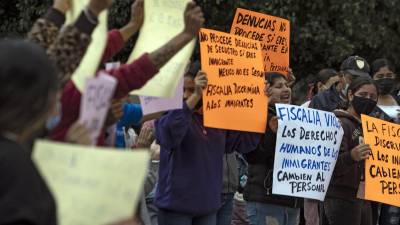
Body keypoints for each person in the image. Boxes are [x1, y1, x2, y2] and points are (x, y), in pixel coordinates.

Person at [50, 1, 205, 145]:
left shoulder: (55, 70)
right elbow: (137, 70)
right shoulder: (77, 88)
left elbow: (104, 47)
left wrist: (133, 24)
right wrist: (185, 35)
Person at [154, 68, 261, 225]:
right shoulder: (171, 113)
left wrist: (259, 105)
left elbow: (244, 142)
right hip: (175, 208)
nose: (185, 95)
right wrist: (195, 97)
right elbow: (168, 136)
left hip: (208, 208)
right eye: (183, 90)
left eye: (191, 90)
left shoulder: (216, 117)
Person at [245, 72, 301, 225]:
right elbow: (253, 156)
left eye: (287, 85)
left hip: (292, 201)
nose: (286, 89)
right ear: (267, 90)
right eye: (279, 86)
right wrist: (272, 133)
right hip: (266, 200)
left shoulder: (297, 118)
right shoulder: (257, 116)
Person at [323, 78, 379, 225]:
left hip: (364, 198)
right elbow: (327, 166)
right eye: (363, 94)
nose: (368, 99)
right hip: (341, 197)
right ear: (350, 95)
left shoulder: (373, 128)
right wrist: (351, 156)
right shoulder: (337, 122)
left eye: (373, 97)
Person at [369, 59, 400, 225]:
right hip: (376, 173)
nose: (385, 79)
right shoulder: (368, 103)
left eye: (389, 75)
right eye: (380, 76)